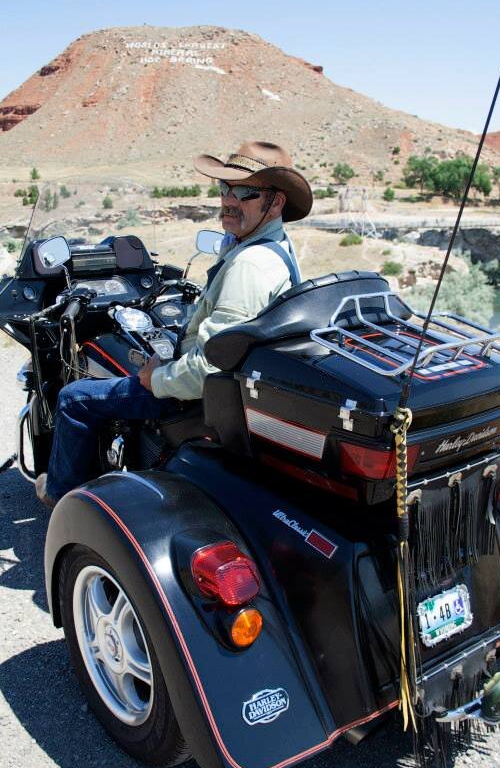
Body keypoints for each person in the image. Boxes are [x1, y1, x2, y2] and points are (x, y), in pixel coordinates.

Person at [36, 141, 312, 506]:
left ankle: (59, 496)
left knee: (74, 399)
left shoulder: (251, 266)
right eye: (224, 188)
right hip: (235, 391)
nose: (230, 200)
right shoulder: (271, 248)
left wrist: (158, 379)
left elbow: (211, 367)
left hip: (199, 399)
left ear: (276, 203)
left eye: (246, 192)